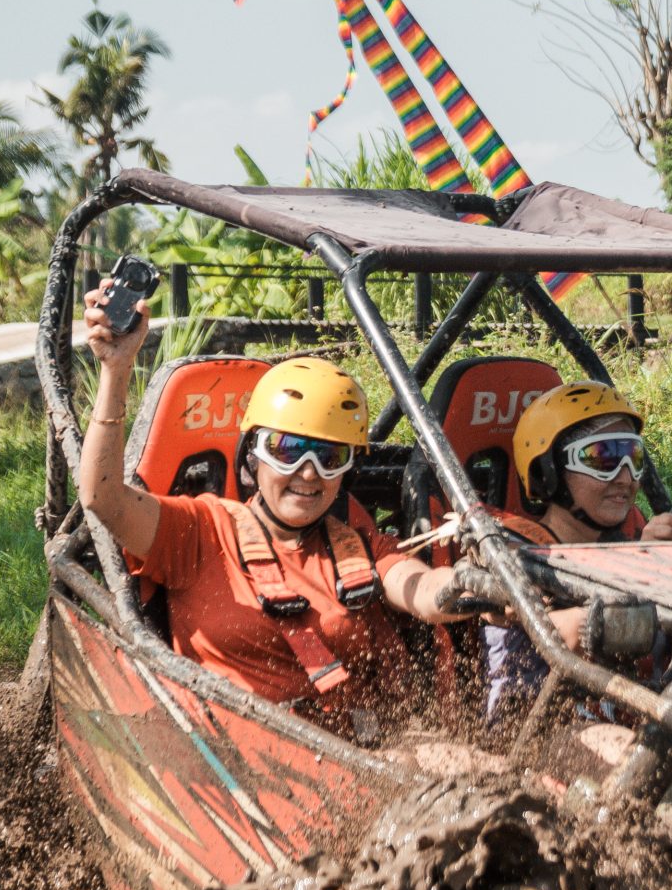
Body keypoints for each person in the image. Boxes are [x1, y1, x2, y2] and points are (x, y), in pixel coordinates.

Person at [74, 273, 464, 722]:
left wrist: (476, 584)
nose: (308, 474)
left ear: (347, 471)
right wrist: (116, 370)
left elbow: (425, 592)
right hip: (237, 762)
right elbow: (104, 500)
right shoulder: (201, 529)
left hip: (353, 755)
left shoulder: (356, 546)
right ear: (252, 458)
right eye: (288, 450)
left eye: (329, 457)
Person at [470, 382, 672, 727]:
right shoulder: (511, 550)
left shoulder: (636, 538)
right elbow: (564, 632)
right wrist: (640, 571)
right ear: (549, 471)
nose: (626, 477)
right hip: (541, 733)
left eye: (634, 457)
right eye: (603, 458)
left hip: (635, 723)